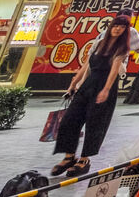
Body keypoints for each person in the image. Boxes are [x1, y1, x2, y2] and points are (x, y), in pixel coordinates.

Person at [52, 15, 131, 178]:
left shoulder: (122, 48)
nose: (117, 29)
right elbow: (86, 64)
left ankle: (84, 159)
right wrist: (74, 83)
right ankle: (69, 157)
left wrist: (106, 90)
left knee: (95, 123)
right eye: (116, 25)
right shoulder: (100, 43)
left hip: (104, 85)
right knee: (70, 119)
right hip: (88, 84)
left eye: (122, 27)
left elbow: (114, 70)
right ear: (111, 26)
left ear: (125, 31)